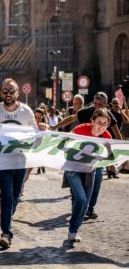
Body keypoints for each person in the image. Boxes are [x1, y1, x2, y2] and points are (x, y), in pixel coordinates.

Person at [0, 79, 47, 250]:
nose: (8, 94)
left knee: (15, 195)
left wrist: (42, 127)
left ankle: (7, 221)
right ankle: (6, 233)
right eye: (5, 91)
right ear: (1, 93)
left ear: (17, 93)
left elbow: (35, 133)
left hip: (20, 161)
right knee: (6, 194)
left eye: (11, 91)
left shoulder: (26, 111)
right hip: (2, 161)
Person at [52, 92, 122, 220]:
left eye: (100, 104)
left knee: (97, 179)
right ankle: (76, 206)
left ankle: (90, 209)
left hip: (96, 157)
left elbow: (117, 135)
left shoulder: (108, 116)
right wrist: (55, 126)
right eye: (95, 103)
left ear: (106, 105)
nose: (96, 106)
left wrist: (119, 154)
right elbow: (72, 118)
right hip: (79, 154)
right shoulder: (86, 111)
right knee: (76, 182)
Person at [65, 109, 112, 243]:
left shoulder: (107, 136)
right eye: (99, 122)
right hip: (72, 169)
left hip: (89, 171)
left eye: (104, 123)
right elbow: (65, 140)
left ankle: (74, 230)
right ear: (92, 121)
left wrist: (112, 162)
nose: (101, 126)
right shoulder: (81, 129)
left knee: (85, 205)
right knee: (80, 198)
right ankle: (73, 231)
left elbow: (110, 154)